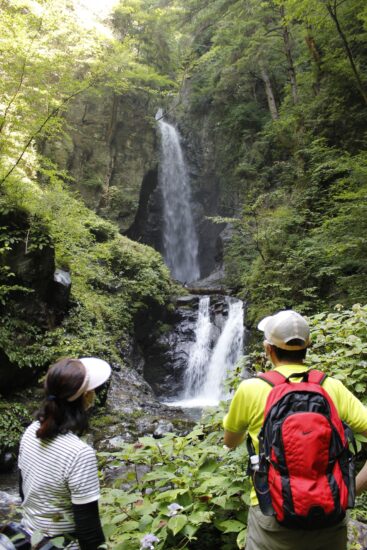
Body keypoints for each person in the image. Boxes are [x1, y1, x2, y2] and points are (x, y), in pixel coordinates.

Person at [223, 310, 367, 550]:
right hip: (329, 514)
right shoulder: (332, 387)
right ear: (307, 347)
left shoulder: (250, 389)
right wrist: (350, 489)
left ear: (268, 349)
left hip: (270, 511)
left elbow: (230, 442)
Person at [17, 357, 111, 550]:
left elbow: (23, 490)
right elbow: (89, 533)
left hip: (30, 537)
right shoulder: (79, 453)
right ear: (86, 397)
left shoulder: (31, 431)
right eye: (91, 389)